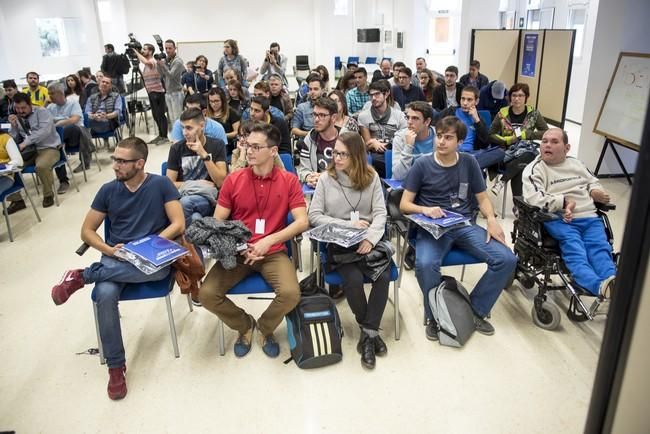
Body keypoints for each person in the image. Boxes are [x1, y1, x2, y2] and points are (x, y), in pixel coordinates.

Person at [50, 137, 185, 400]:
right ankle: (115, 366)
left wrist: (149, 245)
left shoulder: (161, 185)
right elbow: (87, 231)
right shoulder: (108, 191)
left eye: (121, 161)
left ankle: (83, 275)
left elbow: (178, 224)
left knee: (157, 272)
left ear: (140, 163)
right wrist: (108, 250)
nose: (115, 166)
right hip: (116, 255)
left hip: (150, 254)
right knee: (105, 294)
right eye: (114, 159)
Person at [400, 116, 517, 339]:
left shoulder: (469, 162)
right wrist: (425, 210)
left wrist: (492, 219)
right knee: (425, 264)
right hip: (432, 228)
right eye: (440, 136)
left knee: (506, 259)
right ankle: (434, 316)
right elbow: (404, 205)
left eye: (449, 138)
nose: (442, 141)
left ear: (460, 142)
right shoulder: (422, 164)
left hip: (462, 224)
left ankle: (474, 311)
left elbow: (482, 198)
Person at [199, 122, 308, 358]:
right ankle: (245, 324)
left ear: (273, 151)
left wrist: (268, 241)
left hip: (273, 252)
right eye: (248, 145)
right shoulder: (234, 180)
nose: (249, 151)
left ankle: (265, 328)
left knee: (290, 293)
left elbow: (302, 222)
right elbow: (218, 221)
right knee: (206, 294)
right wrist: (236, 244)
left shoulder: (288, 181)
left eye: (256, 147)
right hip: (239, 252)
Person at [308, 132, 390, 369]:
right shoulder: (326, 179)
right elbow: (314, 216)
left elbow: (380, 214)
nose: (337, 157)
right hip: (339, 241)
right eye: (335, 152)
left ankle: (368, 333)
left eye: (343, 153)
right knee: (353, 279)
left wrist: (372, 239)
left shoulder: (372, 177)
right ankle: (371, 333)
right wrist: (348, 224)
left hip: (367, 240)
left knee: (382, 276)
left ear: (357, 156)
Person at [522, 128, 616, 297]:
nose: (547, 145)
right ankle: (596, 286)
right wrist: (563, 202)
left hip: (589, 217)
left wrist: (595, 191)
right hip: (560, 219)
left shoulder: (577, 164)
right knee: (576, 251)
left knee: (600, 248)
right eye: (544, 141)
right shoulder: (535, 169)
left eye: (554, 142)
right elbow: (534, 198)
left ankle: (612, 280)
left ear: (567, 148)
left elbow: (592, 181)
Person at [166, 108, 227, 226]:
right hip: (184, 194)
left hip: (208, 198)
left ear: (202, 126)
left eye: (189, 128)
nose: (184, 132)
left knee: (186, 203)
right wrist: (196, 184)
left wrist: (203, 154)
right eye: (182, 127)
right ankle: (200, 237)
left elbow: (221, 182)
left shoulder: (217, 145)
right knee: (195, 217)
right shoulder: (176, 148)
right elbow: (169, 183)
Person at [489, 82, 549, 198]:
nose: (517, 99)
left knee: (528, 156)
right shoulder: (502, 113)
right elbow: (491, 134)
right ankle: (518, 205)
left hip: (526, 150)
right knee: (521, 167)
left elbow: (546, 133)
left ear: (526, 97)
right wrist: (506, 140)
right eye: (514, 95)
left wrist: (528, 135)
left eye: (520, 96)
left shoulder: (533, 113)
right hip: (507, 152)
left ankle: (502, 182)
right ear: (510, 97)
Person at [7, 92, 64, 209]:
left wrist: (25, 143)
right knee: (9, 167)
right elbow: (13, 139)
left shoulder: (42, 112)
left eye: (23, 108)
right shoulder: (17, 117)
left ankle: (48, 195)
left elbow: (44, 132)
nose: (20, 111)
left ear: (30, 104)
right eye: (17, 108)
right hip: (29, 151)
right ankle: (17, 200)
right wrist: (13, 127)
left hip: (49, 148)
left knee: (41, 166)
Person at [436, 86, 503, 170]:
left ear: (477, 101)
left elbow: (485, 143)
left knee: (500, 152)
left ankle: (467, 165)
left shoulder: (478, 118)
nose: (465, 103)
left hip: (472, 155)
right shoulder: (450, 112)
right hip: (453, 153)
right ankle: (469, 166)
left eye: (469, 100)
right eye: (463, 99)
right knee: (476, 172)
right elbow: (435, 127)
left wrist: (477, 121)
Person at [358, 80, 407, 178]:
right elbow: (368, 143)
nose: (373, 98)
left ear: (386, 94)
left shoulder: (399, 116)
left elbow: (404, 140)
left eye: (377, 94)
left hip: (395, 152)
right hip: (374, 154)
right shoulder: (364, 116)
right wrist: (373, 142)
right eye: (371, 95)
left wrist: (390, 144)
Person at [47, 82, 92, 174]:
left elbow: (74, 119)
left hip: (77, 137)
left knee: (71, 127)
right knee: (54, 145)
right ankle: (63, 179)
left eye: (52, 93)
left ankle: (56, 142)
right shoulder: (50, 107)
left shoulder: (73, 103)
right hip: (59, 138)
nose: (49, 96)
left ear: (60, 93)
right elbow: (46, 122)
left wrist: (57, 124)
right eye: (49, 93)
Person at [297, 97, 340, 186]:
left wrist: (326, 177)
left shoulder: (346, 138)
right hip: (318, 190)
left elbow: (352, 171)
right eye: (315, 114)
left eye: (322, 115)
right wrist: (309, 177)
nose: (316, 119)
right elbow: (303, 169)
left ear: (334, 117)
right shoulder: (310, 138)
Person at [133, 43, 169, 145]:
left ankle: (164, 137)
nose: (143, 51)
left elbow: (146, 62)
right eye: (142, 49)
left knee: (160, 115)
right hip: (151, 92)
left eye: (145, 49)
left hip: (157, 92)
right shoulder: (146, 65)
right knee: (155, 115)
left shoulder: (153, 61)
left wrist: (136, 52)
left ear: (150, 51)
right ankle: (160, 135)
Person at [392, 101, 435, 180]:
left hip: (431, 184)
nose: (409, 122)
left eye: (415, 118)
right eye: (408, 117)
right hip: (406, 185)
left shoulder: (439, 137)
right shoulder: (400, 138)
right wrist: (408, 147)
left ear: (427, 121)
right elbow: (398, 176)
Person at [157, 39, 185, 124]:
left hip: (176, 92)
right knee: (172, 118)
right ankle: (176, 136)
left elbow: (171, 75)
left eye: (170, 48)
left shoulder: (178, 61)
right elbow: (161, 74)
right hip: (168, 92)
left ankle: (180, 136)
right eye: (166, 48)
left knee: (178, 118)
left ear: (174, 48)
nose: (168, 50)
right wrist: (159, 64)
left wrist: (163, 65)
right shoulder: (167, 60)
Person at [206, 87, 240, 154]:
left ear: (223, 100)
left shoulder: (232, 113)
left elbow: (236, 132)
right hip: (209, 146)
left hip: (226, 146)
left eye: (216, 101)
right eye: (211, 101)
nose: (213, 104)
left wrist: (222, 135)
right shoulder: (206, 113)